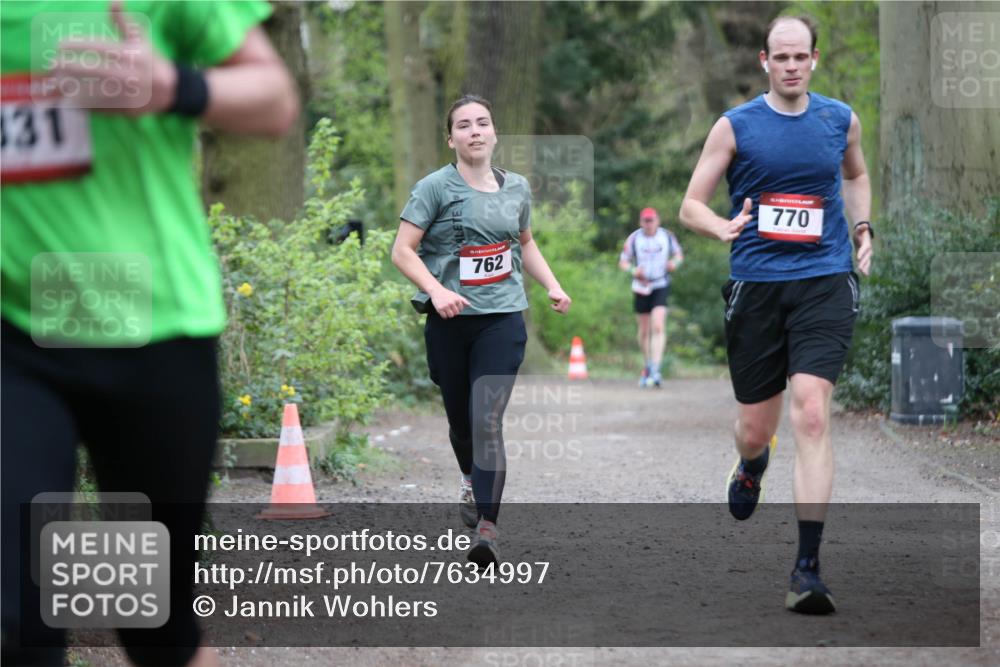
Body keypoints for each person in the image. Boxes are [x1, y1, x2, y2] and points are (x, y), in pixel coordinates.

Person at [1, 2, 298, 665]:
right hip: (15, 333)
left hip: (153, 324)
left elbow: (275, 99)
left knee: (151, 625)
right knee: (13, 616)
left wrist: (174, 87)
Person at [678, 15, 873, 614]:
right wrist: (721, 225)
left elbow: (857, 174)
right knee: (756, 427)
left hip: (824, 281)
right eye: (781, 57)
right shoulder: (735, 126)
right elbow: (690, 205)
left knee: (812, 412)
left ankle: (807, 569)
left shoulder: (839, 119)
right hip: (757, 288)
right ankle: (751, 462)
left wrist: (863, 227)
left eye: (801, 57)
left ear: (815, 59)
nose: (791, 66)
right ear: (764, 60)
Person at [391, 94, 571, 568]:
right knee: (460, 423)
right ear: (451, 138)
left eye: (483, 123)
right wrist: (436, 291)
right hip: (448, 322)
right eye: (464, 125)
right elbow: (402, 251)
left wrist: (552, 285)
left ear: (494, 134)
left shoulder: (517, 189)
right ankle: (470, 478)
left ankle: (488, 529)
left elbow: (524, 243)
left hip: (503, 319)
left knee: (487, 419)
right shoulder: (432, 188)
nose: (475, 131)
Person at [618, 207, 684, 387]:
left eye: (651, 220)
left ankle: (655, 369)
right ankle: (647, 364)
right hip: (641, 286)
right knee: (644, 329)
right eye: (645, 221)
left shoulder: (667, 236)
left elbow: (679, 255)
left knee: (658, 324)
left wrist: (674, 264)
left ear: (657, 220)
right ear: (641, 222)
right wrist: (633, 270)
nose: (648, 224)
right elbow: (623, 262)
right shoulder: (634, 238)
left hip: (660, 284)